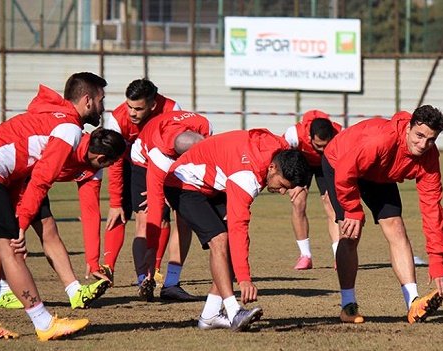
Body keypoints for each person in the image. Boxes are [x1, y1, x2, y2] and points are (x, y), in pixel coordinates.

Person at [0, 72, 107, 341]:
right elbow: (41, 179)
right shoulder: (69, 128)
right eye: (101, 99)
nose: (104, 106)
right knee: (11, 247)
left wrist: (16, 213)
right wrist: (22, 223)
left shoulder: (51, 116)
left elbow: (20, 167)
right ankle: (44, 322)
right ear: (87, 100)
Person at [163, 129, 310, 331]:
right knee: (221, 240)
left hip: (212, 186)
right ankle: (234, 312)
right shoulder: (246, 177)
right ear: (273, 167)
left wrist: (302, 184)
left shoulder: (279, 150)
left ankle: (210, 316)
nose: (283, 192)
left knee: (227, 245)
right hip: (181, 183)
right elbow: (239, 229)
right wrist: (244, 279)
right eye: (283, 185)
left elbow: (294, 155)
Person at [322, 105, 443, 324]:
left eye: (431, 140)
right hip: (340, 163)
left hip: (379, 173)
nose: (423, 144)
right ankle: (348, 306)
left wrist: (436, 259)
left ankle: (413, 304)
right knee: (351, 233)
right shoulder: (380, 140)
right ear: (409, 128)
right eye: (419, 136)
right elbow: (345, 171)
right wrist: (352, 209)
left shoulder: (429, 157)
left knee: (396, 227)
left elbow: (432, 208)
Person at [0, 129, 126, 310]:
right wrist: (22, 222)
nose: (110, 167)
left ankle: (75, 292)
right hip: (6, 176)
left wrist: (93, 262)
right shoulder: (66, 142)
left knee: (48, 228)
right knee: (5, 234)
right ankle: (3, 291)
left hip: (33, 183)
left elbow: (90, 213)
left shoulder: (93, 167)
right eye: (110, 163)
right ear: (102, 158)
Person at [101, 78, 190, 297]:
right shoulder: (117, 118)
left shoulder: (171, 109)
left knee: (163, 218)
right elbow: (115, 162)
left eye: (138, 108)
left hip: (163, 166)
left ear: (152, 105)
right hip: (132, 165)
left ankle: (157, 273)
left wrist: (166, 186)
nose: (131, 113)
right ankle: (120, 272)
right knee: (130, 216)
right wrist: (115, 201)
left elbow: (178, 151)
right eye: (129, 106)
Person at [131, 110, 212, 301]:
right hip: (143, 161)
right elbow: (156, 209)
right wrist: (152, 248)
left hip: (180, 162)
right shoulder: (160, 156)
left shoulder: (205, 128)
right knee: (147, 217)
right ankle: (144, 280)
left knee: (185, 218)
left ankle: (171, 285)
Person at [282, 109, 342, 270]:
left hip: (327, 165)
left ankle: (339, 255)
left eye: (326, 145)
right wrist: (290, 181)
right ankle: (305, 255)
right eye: (318, 145)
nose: (322, 149)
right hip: (302, 163)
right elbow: (283, 157)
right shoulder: (293, 134)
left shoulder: (340, 133)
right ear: (309, 137)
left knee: (332, 203)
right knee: (298, 201)